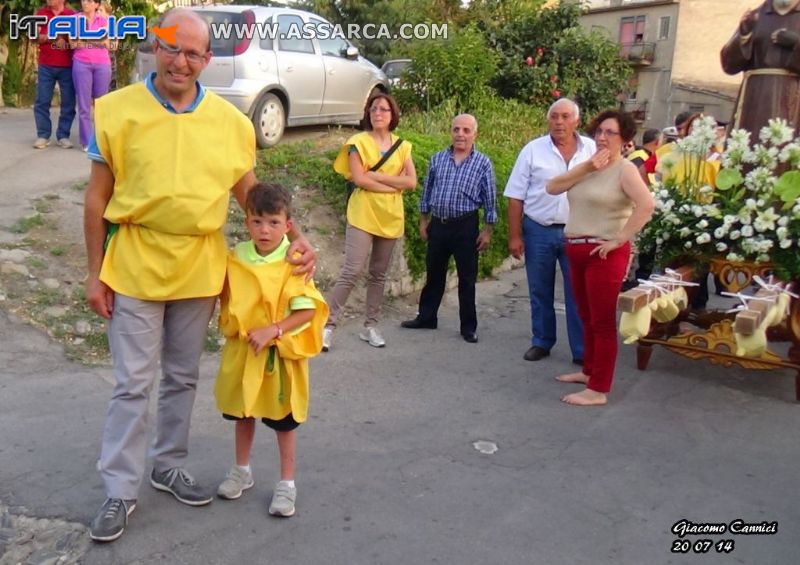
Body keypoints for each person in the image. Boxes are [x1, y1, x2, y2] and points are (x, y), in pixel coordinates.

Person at [83, 9, 315, 542]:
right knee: (133, 384)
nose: (180, 60)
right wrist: (95, 274)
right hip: (135, 260)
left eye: (193, 53)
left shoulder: (232, 125)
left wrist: (297, 241)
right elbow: (96, 197)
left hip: (200, 267)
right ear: (154, 47)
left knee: (183, 377)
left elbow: (253, 198)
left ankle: (166, 466)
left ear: (208, 60)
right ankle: (120, 490)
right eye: (171, 47)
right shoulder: (116, 110)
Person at [214, 183, 327, 518]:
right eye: (258, 221)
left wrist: (274, 329)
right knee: (243, 413)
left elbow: (307, 310)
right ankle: (241, 470)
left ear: (288, 225)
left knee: (284, 423)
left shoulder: (294, 262)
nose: (265, 230)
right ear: (247, 221)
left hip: (279, 355)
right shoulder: (235, 258)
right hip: (246, 352)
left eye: (274, 223)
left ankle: (286, 484)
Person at [546, 109, 655, 406]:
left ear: (625, 139)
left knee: (602, 321)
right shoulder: (587, 166)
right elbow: (552, 187)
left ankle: (599, 388)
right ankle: (589, 372)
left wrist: (621, 238)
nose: (603, 138)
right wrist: (587, 168)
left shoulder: (626, 170)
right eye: (599, 132)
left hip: (603, 253)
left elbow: (646, 205)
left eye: (610, 133)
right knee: (585, 315)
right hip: (576, 248)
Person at [504, 98, 594, 365]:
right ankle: (542, 341)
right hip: (538, 230)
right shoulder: (532, 150)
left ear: (577, 121)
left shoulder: (591, 149)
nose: (559, 122)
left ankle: (581, 350)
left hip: (578, 231)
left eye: (565, 116)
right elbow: (515, 196)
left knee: (578, 292)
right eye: (554, 116)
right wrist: (515, 235)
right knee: (539, 290)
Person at [323, 93, 416, 351]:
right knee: (351, 270)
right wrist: (389, 186)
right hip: (363, 213)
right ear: (368, 113)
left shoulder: (403, 145)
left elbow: (411, 182)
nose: (378, 113)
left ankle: (371, 326)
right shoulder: (357, 142)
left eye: (384, 110)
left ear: (392, 114)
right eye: (373, 109)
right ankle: (327, 326)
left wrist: (377, 176)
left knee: (378, 274)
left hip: (390, 217)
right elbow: (359, 179)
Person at [400, 114, 497, 343]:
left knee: (467, 278)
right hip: (439, 225)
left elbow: (490, 199)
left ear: (475, 134)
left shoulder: (483, 163)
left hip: (465, 226)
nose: (460, 134)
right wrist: (424, 221)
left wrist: (488, 230)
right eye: (456, 129)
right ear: (451, 132)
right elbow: (427, 192)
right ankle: (426, 317)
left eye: (466, 130)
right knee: (433, 273)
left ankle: (468, 327)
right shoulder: (437, 159)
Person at [721, 0, 800, 134]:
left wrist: (797, 43)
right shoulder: (755, 16)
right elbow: (729, 65)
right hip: (754, 98)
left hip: (792, 97)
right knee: (751, 144)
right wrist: (744, 34)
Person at [33, 0, 76, 149]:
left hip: (68, 65)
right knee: (42, 101)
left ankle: (63, 135)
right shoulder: (41, 14)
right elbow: (34, 37)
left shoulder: (72, 15)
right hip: (46, 64)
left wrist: (67, 42)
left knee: (68, 103)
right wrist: (51, 37)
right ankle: (43, 135)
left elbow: (79, 40)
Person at [71, 0, 113, 151]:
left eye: (89, 1)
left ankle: (101, 140)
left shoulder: (105, 20)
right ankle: (86, 142)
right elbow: (74, 44)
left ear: (96, 5)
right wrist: (97, 39)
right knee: (83, 105)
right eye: (83, 0)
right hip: (81, 64)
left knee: (101, 105)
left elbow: (108, 44)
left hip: (102, 65)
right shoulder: (76, 20)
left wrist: (85, 38)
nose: (85, 3)